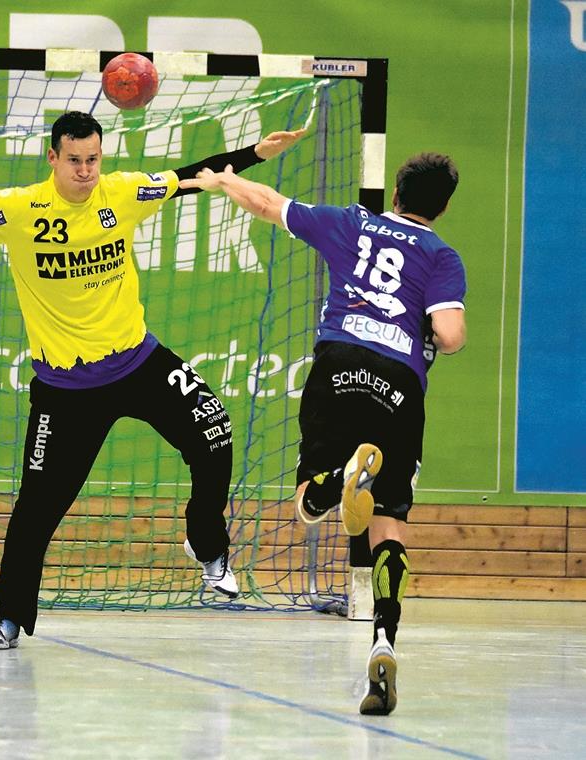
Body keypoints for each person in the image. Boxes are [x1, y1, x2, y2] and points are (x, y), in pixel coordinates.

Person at [0, 111, 306, 650]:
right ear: (53, 158)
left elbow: (191, 176)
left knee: (215, 436)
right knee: (37, 509)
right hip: (66, 390)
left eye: (93, 159)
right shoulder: (19, 209)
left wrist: (255, 153)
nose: (86, 171)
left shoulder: (123, 192)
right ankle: (8, 617)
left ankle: (205, 544)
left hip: (139, 362)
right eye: (74, 161)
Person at [178, 153, 465, 715]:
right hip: (400, 380)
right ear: (443, 206)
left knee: (309, 505)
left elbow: (270, 204)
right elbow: (449, 334)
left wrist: (224, 178)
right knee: (389, 525)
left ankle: (336, 478)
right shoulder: (441, 255)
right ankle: (383, 640)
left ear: (398, 192)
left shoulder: (353, 222)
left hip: (339, 362)